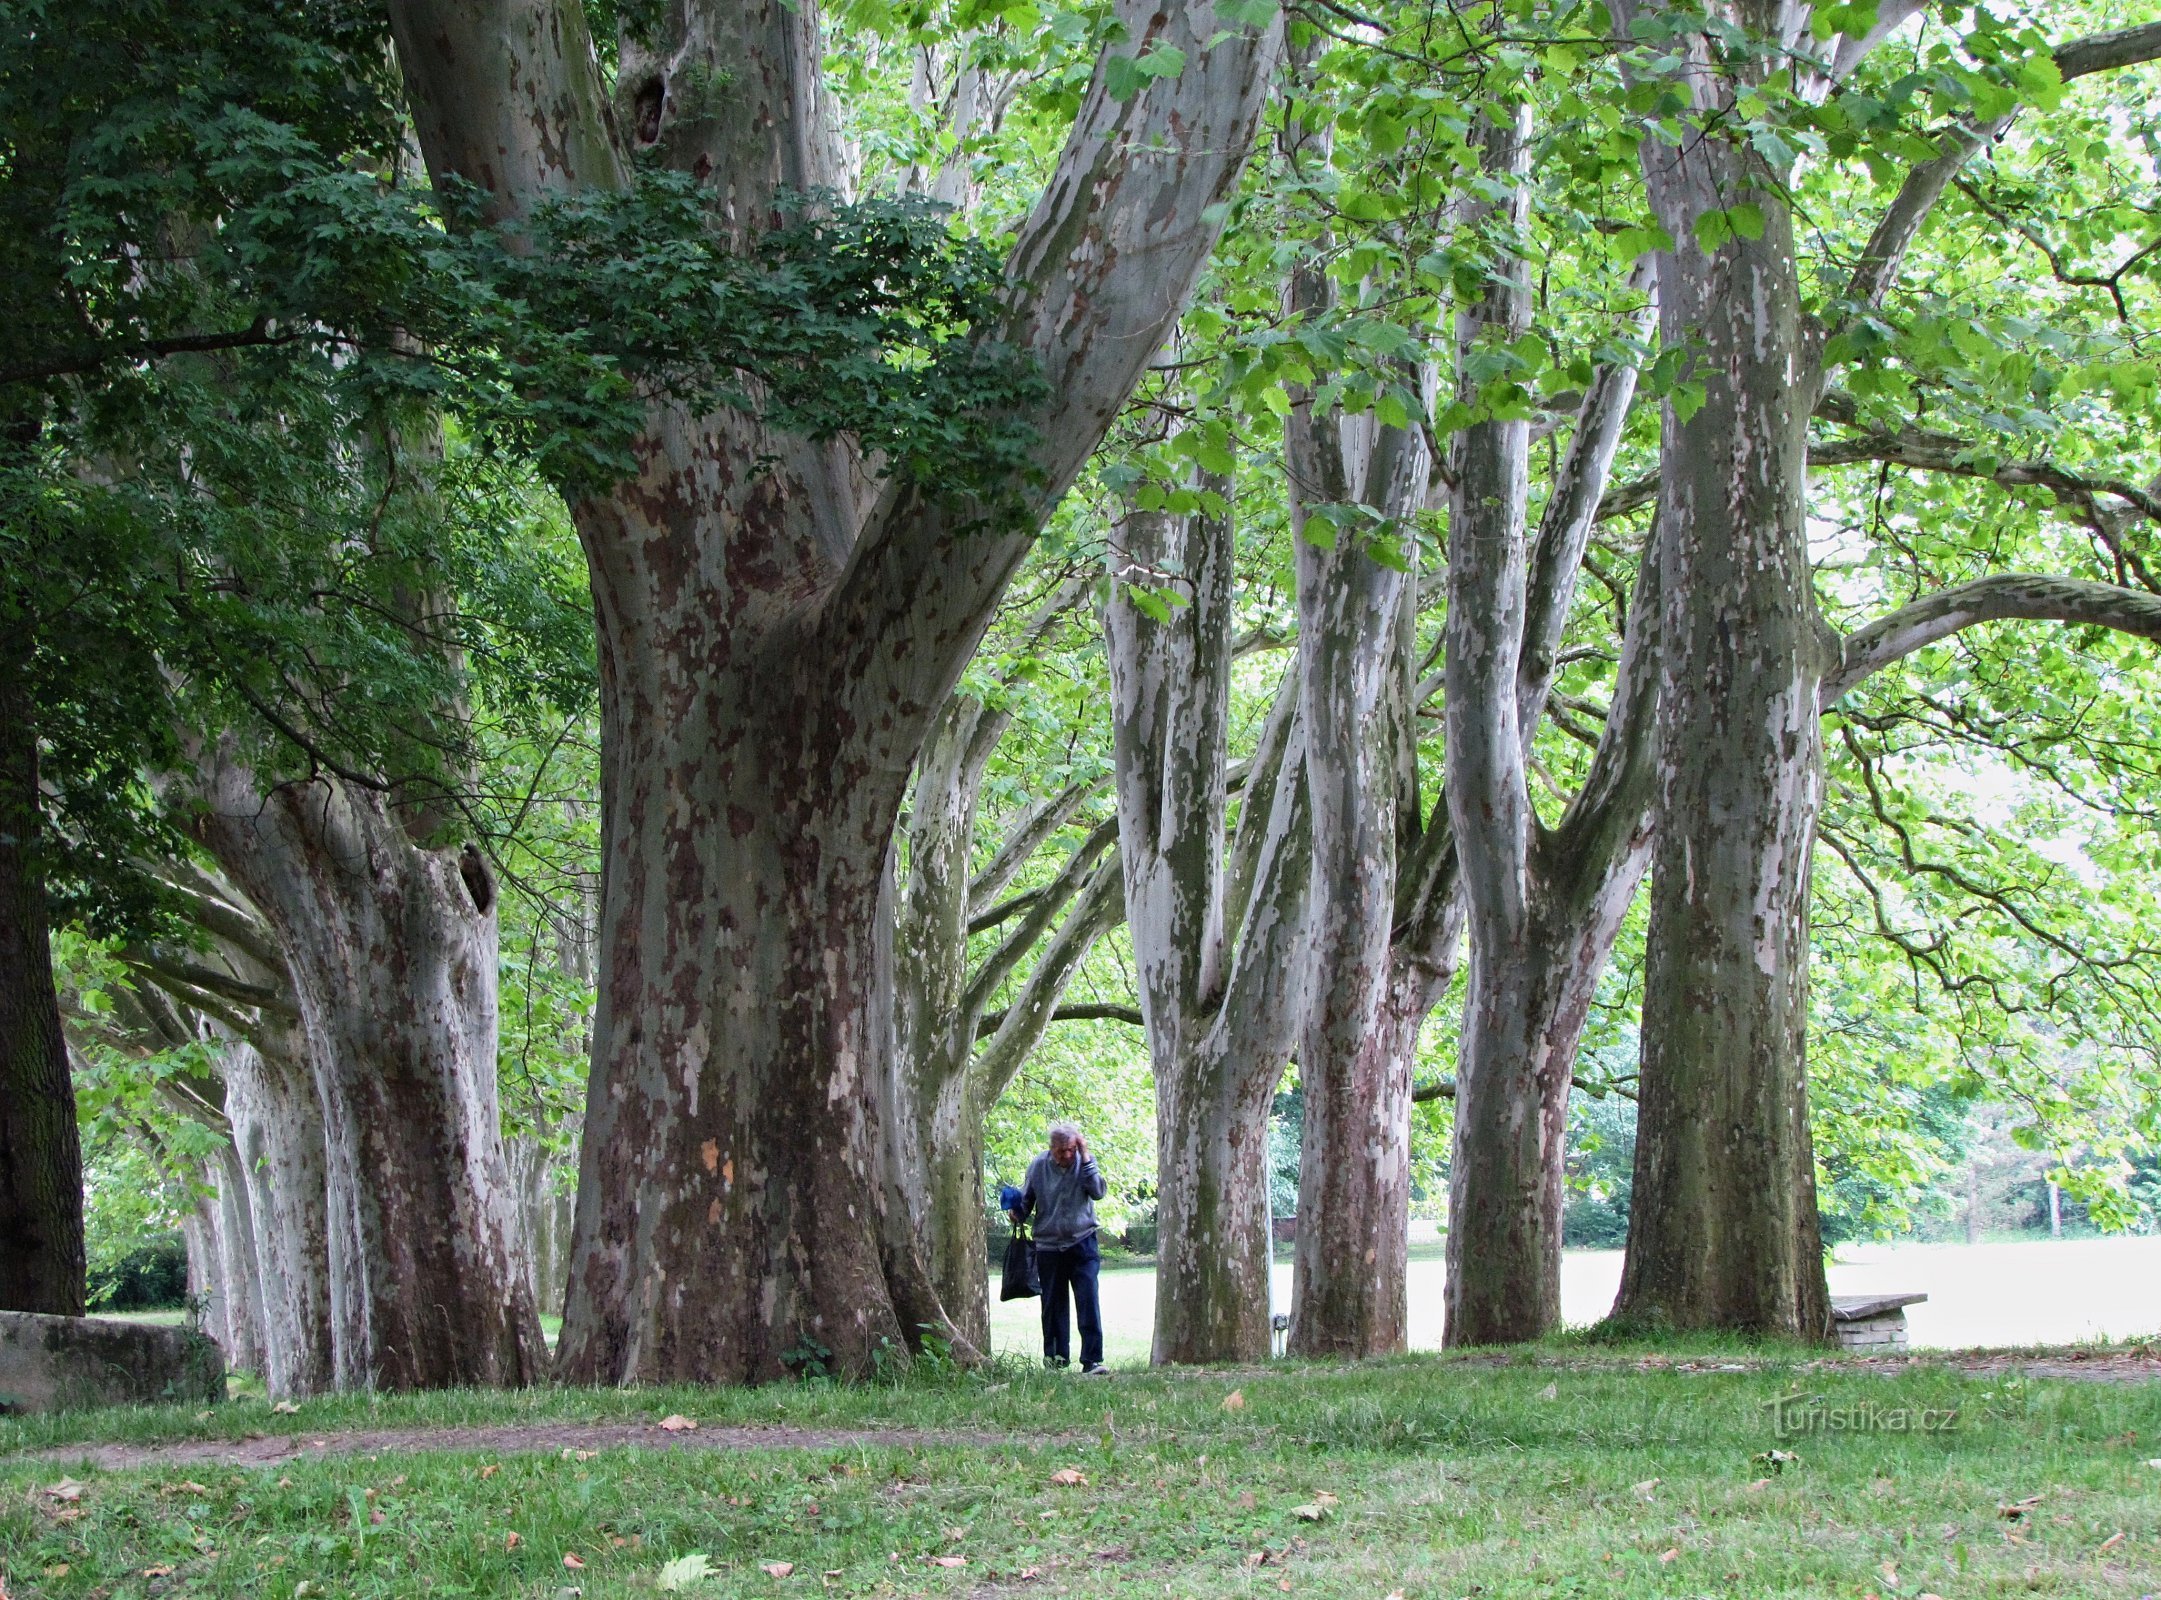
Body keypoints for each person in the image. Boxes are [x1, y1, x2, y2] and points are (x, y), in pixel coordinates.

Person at [1011, 1119, 1108, 1374]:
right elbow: (1026, 1204)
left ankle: (1092, 1361)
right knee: (1053, 1305)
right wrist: (1015, 1212)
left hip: (1082, 1241)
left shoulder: (1085, 1163)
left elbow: (1097, 1192)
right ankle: (1055, 1361)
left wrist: (1085, 1156)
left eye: (1070, 1150)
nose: (1066, 1155)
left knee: (1088, 1300)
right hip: (1049, 1246)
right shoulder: (1038, 1166)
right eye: (1060, 1151)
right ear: (1050, 1148)